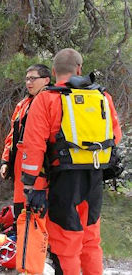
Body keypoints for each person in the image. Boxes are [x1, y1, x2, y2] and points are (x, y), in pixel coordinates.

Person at [20, 48, 122, 275]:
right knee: (90, 237)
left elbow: (33, 146)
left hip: (62, 178)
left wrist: (32, 186)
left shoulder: (47, 99)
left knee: (65, 240)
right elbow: (115, 137)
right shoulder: (103, 97)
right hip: (94, 176)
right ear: (79, 69)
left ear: (54, 71)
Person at [0, 64, 51, 224]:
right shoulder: (22, 105)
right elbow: (12, 136)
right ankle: (22, 241)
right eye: (27, 79)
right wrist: (5, 161)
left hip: (41, 168)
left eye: (33, 78)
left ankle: (38, 246)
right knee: (20, 210)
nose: (29, 82)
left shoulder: (52, 101)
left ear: (46, 80)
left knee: (37, 216)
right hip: (20, 166)